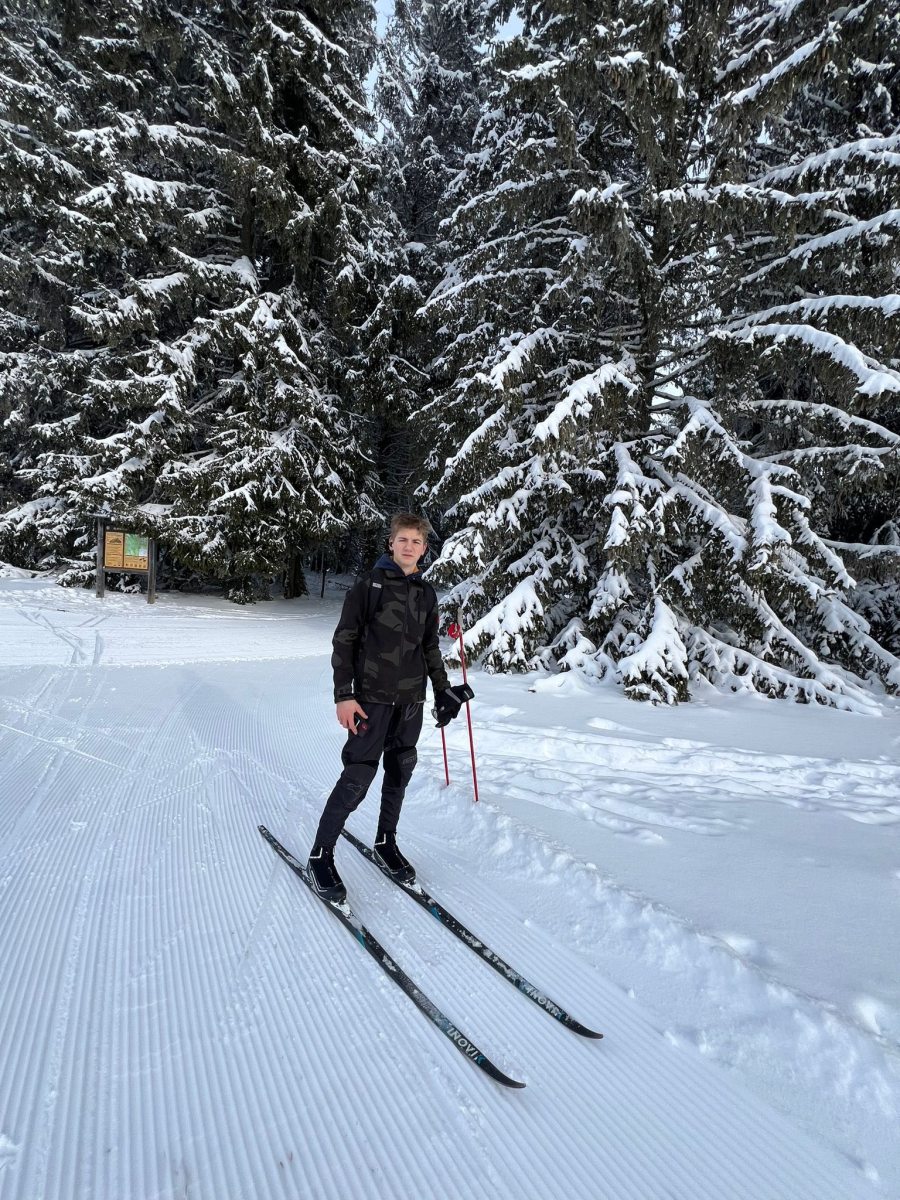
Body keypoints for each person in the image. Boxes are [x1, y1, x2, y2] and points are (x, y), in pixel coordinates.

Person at [308, 513, 474, 903]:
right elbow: (344, 640)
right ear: (391, 543)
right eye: (403, 540)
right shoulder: (369, 585)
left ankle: (386, 842)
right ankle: (320, 854)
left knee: (400, 770)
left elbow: (429, 648)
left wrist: (442, 691)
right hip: (371, 700)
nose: (409, 547)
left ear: (424, 548)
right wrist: (343, 695)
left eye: (416, 541)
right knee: (358, 775)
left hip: (411, 701)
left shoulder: (426, 593)